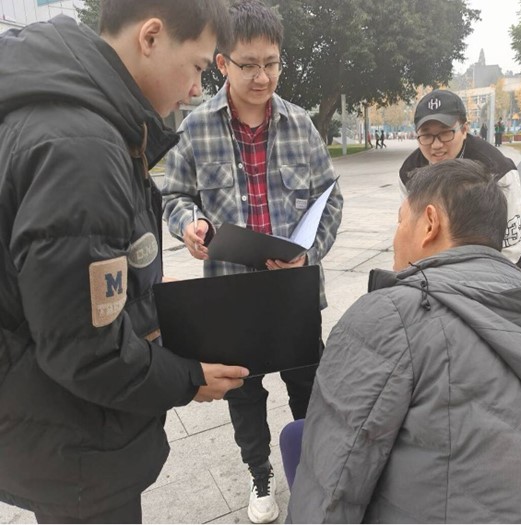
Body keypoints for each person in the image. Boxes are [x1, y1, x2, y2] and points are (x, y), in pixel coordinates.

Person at [0, 2, 250, 523]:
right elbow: (85, 350)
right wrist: (188, 378)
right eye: (197, 66)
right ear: (151, 37)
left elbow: (71, 283)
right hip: (74, 443)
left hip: (52, 420)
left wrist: (147, 288)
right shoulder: (82, 149)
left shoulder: (74, 117)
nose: (195, 89)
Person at [286, 160, 521, 523]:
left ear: (429, 223)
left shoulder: (391, 314)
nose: (395, 237)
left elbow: (333, 482)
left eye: (400, 221)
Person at [161, 1, 343, 522]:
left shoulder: (301, 125)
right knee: (242, 393)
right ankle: (259, 472)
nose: (262, 76)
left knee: (308, 385)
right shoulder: (196, 128)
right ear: (222, 62)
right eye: (248, 65)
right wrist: (189, 224)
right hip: (230, 292)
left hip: (292, 290)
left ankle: (313, 469)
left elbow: (330, 198)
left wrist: (309, 253)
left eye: (272, 63)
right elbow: (173, 196)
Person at [398, 89, 521, 270]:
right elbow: (411, 230)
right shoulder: (409, 173)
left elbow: (511, 248)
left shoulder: (498, 170)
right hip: (436, 266)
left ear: (464, 129)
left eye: (445, 133)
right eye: (426, 135)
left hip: (493, 266)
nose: (436, 145)